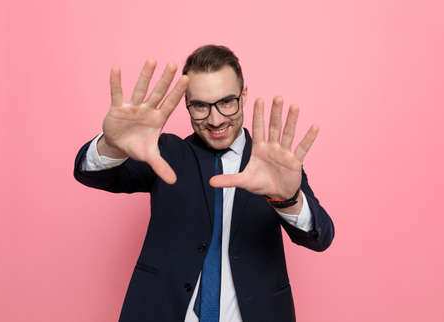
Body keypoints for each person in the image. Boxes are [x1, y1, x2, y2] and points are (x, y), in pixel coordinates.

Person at [73, 44, 334, 322]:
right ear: (186, 103)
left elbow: (321, 237)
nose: (215, 119)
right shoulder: (165, 153)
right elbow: (92, 173)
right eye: (200, 106)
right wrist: (113, 146)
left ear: (243, 95)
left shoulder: (273, 162)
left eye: (226, 102)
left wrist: (288, 199)